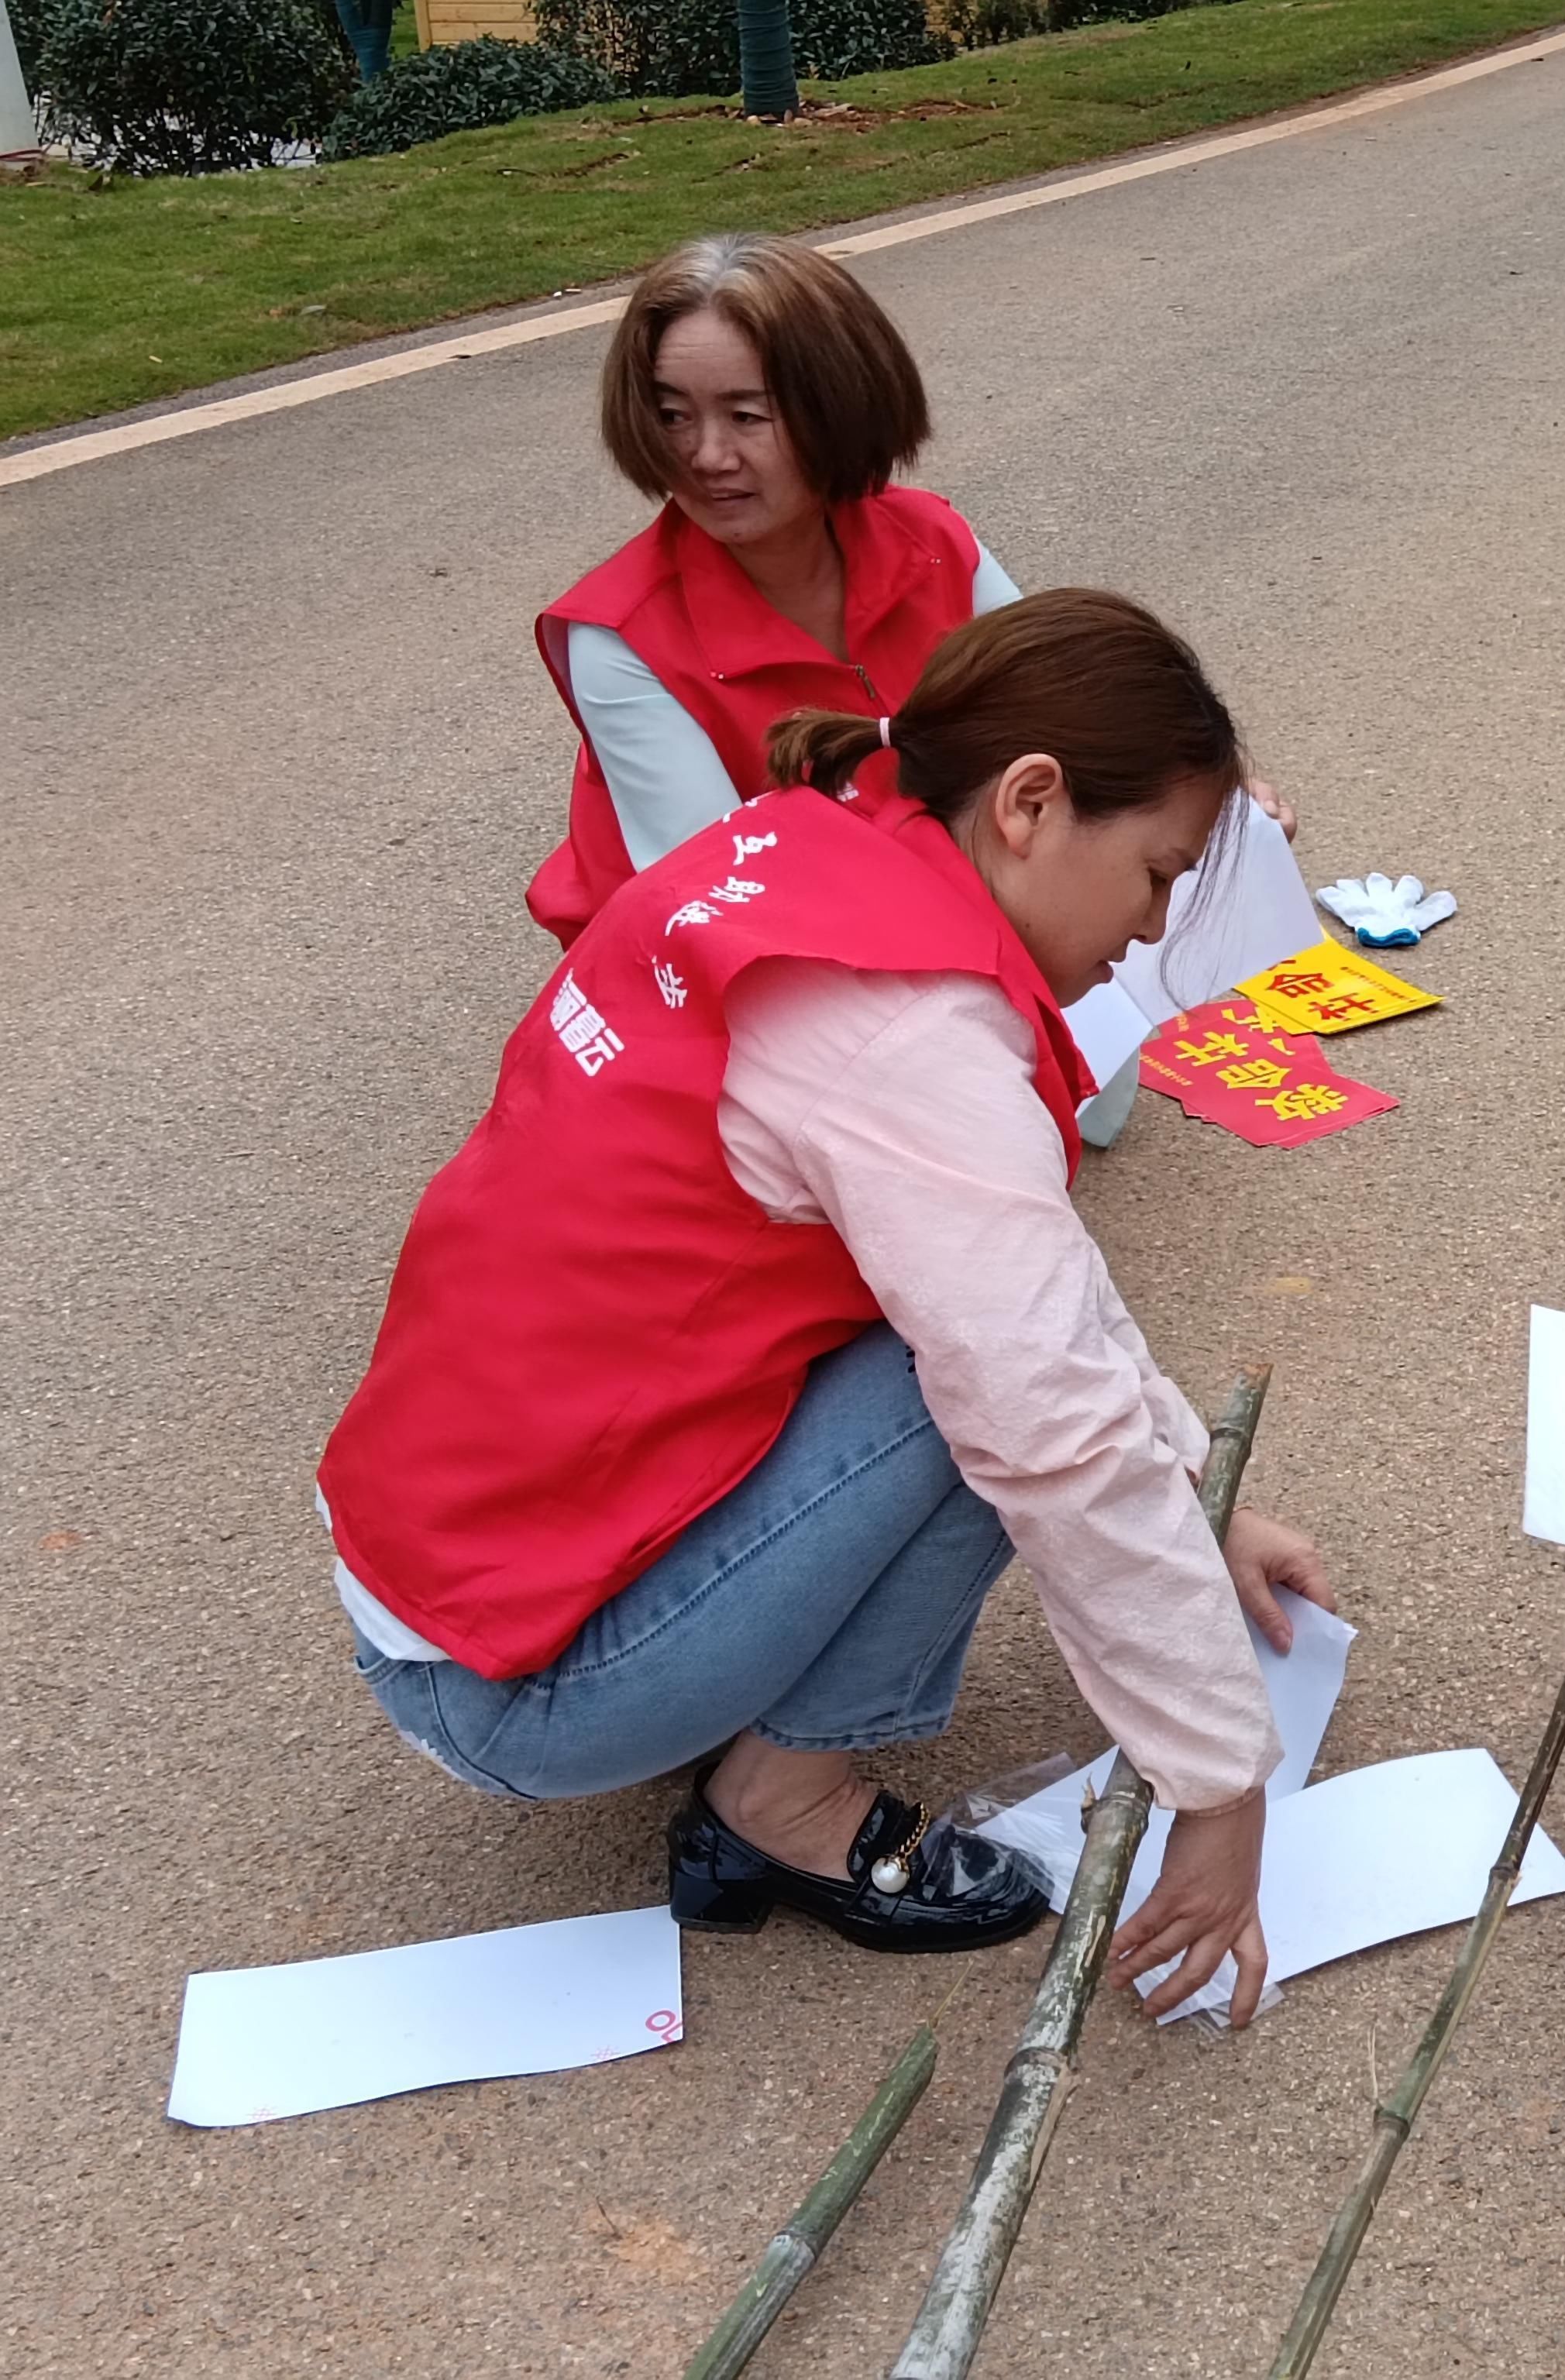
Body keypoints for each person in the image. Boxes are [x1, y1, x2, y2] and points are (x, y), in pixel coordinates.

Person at [322, 590, 1329, 2021]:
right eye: (1157, 873)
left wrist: (1196, 1500)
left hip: (455, 1569)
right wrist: (1220, 1783)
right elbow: (1048, 1417)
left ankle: (709, 1679)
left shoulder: (808, 847)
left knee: (966, 1318)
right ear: (1033, 803)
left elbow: (1032, 1282)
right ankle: (783, 1798)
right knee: (964, 1382)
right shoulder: (906, 1026)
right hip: (510, 1684)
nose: (1150, 931)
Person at [528, 231, 1290, 1140]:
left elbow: (1071, 704)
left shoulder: (931, 537)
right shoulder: (616, 634)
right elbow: (724, 912)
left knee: (1094, 1111)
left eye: (746, 415)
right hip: (727, 954)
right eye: (672, 415)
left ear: (837, 406)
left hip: (933, 897)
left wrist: (1191, 801)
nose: (705, 456)